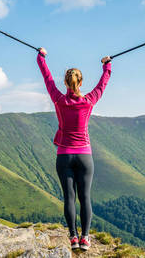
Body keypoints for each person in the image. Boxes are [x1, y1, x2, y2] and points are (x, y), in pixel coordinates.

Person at [36, 47, 112, 251]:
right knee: (85, 197)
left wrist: (41, 57)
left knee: (69, 197)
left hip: (64, 155)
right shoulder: (88, 101)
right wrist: (107, 65)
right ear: (81, 83)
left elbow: (47, 78)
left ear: (66, 83)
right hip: (85, 155)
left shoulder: (59, 100)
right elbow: (102, 85)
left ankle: (73, 237)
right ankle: (86, 238)